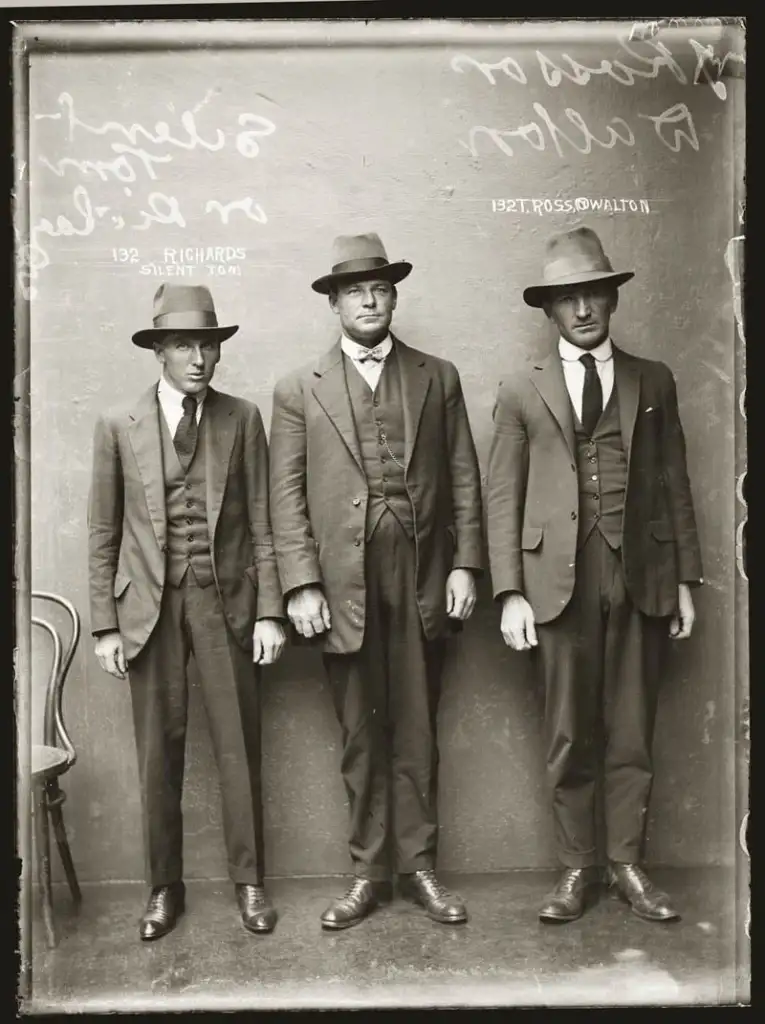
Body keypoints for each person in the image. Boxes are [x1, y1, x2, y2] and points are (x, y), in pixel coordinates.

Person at [486, 226, 703, 923]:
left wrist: (683, 581)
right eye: (567, 299)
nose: (582, 310)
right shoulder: (520, 389)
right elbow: (501, 494)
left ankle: (627, 866)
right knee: (567, 728)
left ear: (611, 301)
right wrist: (509, 591)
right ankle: (578, 869)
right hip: (555, 580)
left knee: (632, 726)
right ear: (548, 311)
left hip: (638, 571)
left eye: (594, 295)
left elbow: (674, 481)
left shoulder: (652, 379)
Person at [269, 232, 483, 929]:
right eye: (356, 290)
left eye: (382, 288)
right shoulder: (299, 388)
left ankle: (420, 868)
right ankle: (366, 873)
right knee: (361, 734)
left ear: (394, 297)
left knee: (417, 729)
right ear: (333, 304)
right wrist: (301, 583)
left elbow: (462, 477)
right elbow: (287, 495)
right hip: (342, 587)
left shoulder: (436, 375)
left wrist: (465, 564)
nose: (370, 299)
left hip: (423, 577)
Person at [88, 283, 286, 941]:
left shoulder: (242, 419)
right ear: (159, 353)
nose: (199, 358)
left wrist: (269, 612)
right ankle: (161, 890)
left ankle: (250, 883)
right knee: (158, 757)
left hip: (226, 602)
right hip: (148, 609)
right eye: (183, 346)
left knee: (238, 749)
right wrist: (105, 625)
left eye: (207, 344)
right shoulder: (120, 425)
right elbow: (102, 532)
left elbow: (264, 521)